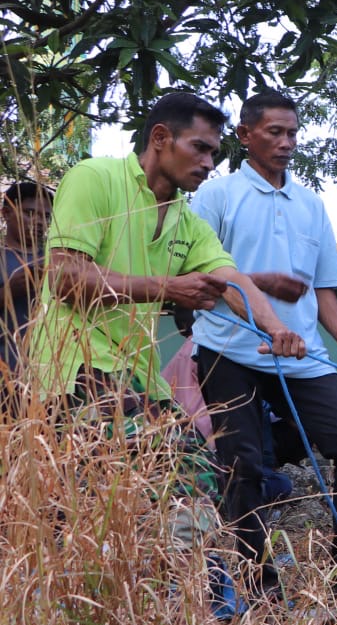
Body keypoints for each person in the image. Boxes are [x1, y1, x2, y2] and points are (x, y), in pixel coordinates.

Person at [190, 90, 337, 593]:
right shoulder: (216, 196)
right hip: (229, 351)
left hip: (301, 353)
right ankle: (260, 581)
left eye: (292, 133)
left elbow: (322, 290)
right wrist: (264, 284)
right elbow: (196, 280)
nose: (285, 142)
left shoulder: (310, 204)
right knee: (243, 466)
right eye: (274, 132)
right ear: (244, 136)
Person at [28, 91, 305, 414]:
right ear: (160, 137)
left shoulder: (186, 219)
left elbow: (230, 279)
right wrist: (169, 288)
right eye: (199, 148)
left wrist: (277, 330)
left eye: (213, 153)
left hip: (141, 376)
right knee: (166, 459)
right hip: (75, 369)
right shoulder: (95, 177)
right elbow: (65, 277)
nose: (208, 164)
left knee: (199, 464)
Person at [2, 179, 52, 375]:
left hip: (48, 374)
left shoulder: (55, 259)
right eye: (29, 213)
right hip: (6, 371)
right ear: (6, 214)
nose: (39, 222)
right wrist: (9, 291)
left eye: (46, 216)